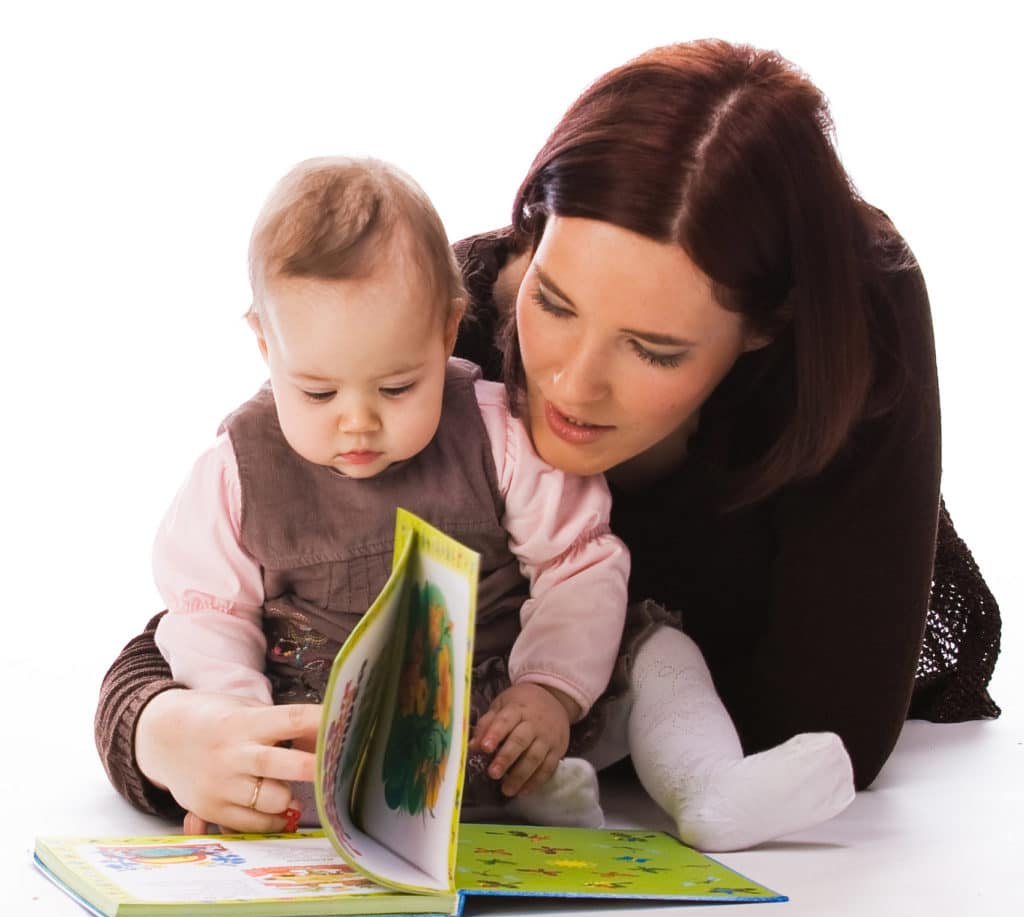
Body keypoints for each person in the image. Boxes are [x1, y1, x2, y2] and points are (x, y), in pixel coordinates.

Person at [96, 40, 1001, 851]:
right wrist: (169, 732)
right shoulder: (430, 347)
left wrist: (569, 697)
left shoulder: (846, 346)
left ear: (765, 333)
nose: (568, 383)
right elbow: (227, 606)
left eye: (654, 349)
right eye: (556, 302)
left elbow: (830, 728)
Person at [149, 155, 633, 834]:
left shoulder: (499, 434)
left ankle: (702, 779)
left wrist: (550, 689)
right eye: (317, 391)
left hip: (504, 712)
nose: (358, 421)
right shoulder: (237, 472)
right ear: (265, 344)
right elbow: (207, 612)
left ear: (444, 332)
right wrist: (241, 727)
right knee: (304, 788)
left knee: (662, 656)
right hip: (337, 725)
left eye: (398, 387)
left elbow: (578, 562)